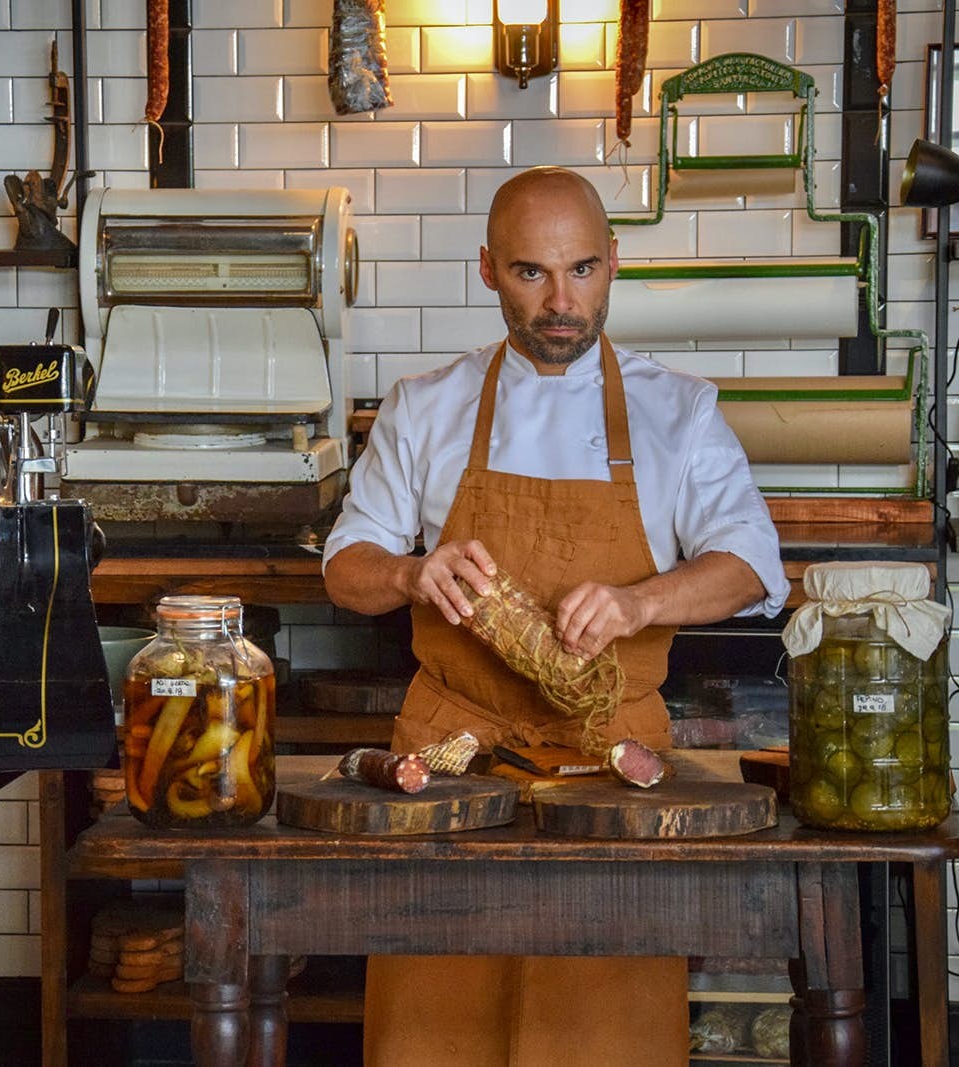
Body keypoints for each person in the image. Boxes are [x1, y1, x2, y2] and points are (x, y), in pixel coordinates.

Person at [322, 166, 791, 1066]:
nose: (561, 301)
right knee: (433, 1024)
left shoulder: (677, 410)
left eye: (582, 269)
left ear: (614, 261)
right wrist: (413, 573)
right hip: (449, 763)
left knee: (602, 1027)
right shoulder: (426, 405)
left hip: (611, 769)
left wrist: (640, 600)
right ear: (487, 268)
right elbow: (346, 568)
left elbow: (751, 566)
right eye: (531, 272)